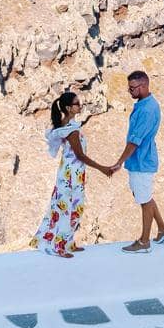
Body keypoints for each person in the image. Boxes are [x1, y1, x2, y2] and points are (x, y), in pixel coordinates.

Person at [33, 90, 113, 258]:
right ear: (69, 108)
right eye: (77, 104)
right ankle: (59, 246)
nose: (80, 106)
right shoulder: (72, 130)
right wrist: (103, 168)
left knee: (63, 206)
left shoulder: (64, 124)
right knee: (71, 208)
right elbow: (80, 155)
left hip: (68, 171)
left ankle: (67, 242)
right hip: (72, 174)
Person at [108, 69, 164, 253]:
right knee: (146, 196)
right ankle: (162, 229)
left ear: (143, 86)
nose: (130, 92)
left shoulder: (146, 110)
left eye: (132, 88)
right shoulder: (148, 103)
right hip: (143, 160)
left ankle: (144, 242)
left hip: (141, 161)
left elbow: (134, 141)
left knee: (144, 201)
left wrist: (119, 162)